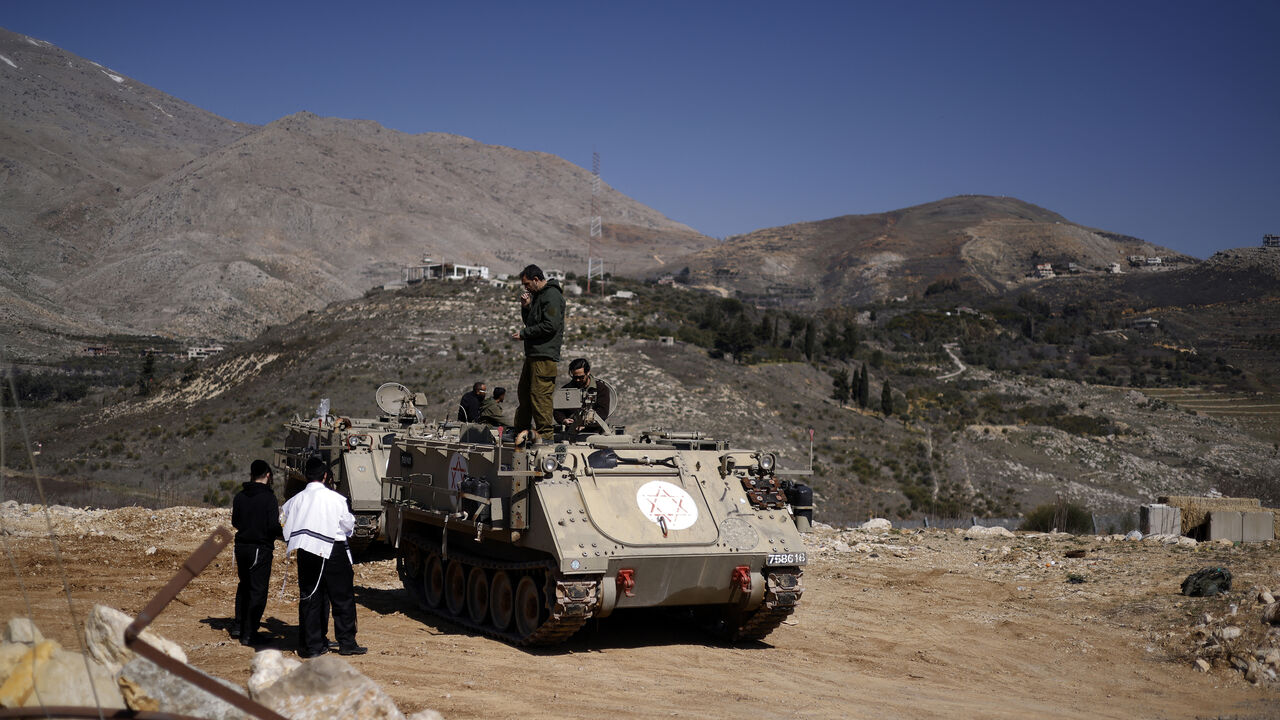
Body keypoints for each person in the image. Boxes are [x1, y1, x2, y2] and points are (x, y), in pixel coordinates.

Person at [280, 456, 367, 658]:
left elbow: (283, 521)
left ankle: (312, 645)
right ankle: (347, 642)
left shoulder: (295, 500)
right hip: (334, 550)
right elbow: (348, 525)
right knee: (342, 597)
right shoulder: (336, 499)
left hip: (306, 551)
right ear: (326, 476)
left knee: (310, 597)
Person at [510, 264, 565, 444]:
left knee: (540, 396)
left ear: (535, 279)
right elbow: (532, 324)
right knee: (525, 394)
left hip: (544, 355)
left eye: (527, 284)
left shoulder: (551, 295)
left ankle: (545, 436)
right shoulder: (540, 297)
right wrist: (526, 308)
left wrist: (524, 334)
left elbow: (551, 325)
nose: (526, 288)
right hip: (534, 354)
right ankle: (521, 431)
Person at [231, 460, 282, 646]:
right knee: (258, 591)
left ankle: (239, 625)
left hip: (241, 547)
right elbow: (272, 526)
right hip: (260, 549)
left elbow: (235, 522)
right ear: (268, 475)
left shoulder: (240, 496)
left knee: (244, 586)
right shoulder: (269, 498)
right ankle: (249, 633)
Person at [554, 357, 613, 431]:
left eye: (581, 377)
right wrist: (563, 420)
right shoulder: (566, 390)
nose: (578, 380)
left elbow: (603, 412)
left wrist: (588, 424)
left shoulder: (601, 388)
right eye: (575, 377)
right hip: (571, 430)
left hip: (594, 430)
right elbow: (558, 410)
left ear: (588, 372)